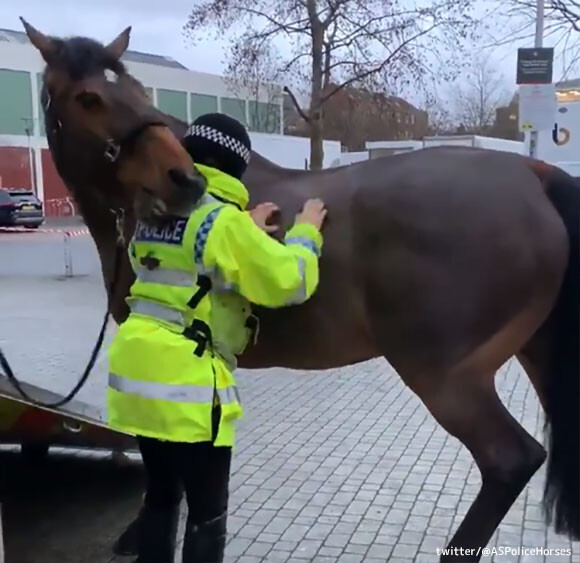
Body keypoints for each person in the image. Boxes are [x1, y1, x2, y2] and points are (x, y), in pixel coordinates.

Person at [107, 112, 327, 563]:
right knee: (207, 513)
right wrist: (306, 231)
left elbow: (186, 259)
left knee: (161, 497)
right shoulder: (223, 225)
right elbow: (291, 280)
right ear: (238, 168)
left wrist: (242, 227)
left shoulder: (151, 213)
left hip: (137, 378)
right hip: (187, 385)